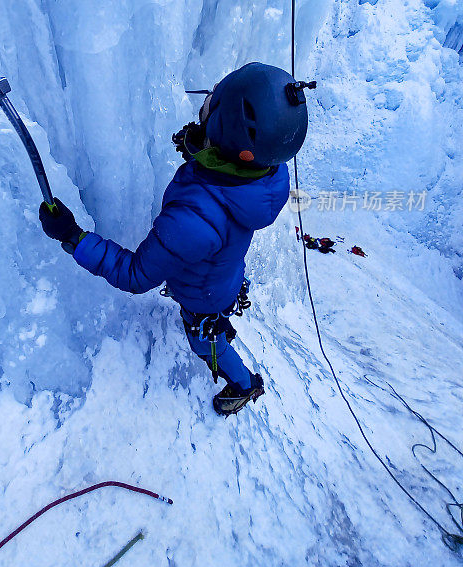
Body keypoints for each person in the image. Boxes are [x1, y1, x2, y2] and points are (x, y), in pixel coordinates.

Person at [39, 62, 312, 416]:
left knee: (205, 341)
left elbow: (135, 275)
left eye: (214, 101)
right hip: (224, 273)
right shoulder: (267, 173)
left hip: (204, 295)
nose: (208, 98)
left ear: (227, 128)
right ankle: (221, 325)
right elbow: (228, 169)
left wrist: (73, 237)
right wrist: (202, 146)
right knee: (214, 304)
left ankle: (244, 385)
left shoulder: (193, 220)